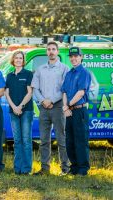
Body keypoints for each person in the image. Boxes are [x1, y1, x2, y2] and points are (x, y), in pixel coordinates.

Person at [31, 41, 70, 176]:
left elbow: (65, 89)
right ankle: (44, 168)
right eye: (49, 49)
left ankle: (65, 168)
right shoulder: (40, 69)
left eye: (53, 49)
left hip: (58, 107)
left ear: (57, 51)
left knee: (61, 138)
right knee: (44, 139)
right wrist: (43, 101)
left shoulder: (64, 69)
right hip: (43, 108)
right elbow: (35, 88)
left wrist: (52, 100)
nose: (51, 51)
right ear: (46, 52)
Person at [61, 46, 91, 176]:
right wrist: (65, 107)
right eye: (71, 57)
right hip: (69, 112)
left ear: (81, 57)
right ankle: (74, 168)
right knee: (70, 141)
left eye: (76, 56)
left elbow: (80, 93)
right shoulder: (69, 73)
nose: (73, 59)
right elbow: (64, 92)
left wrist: (67, 106)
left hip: (79, 111)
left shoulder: (84, 73)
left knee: (81, 140)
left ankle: (83, 169)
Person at [5, 51, 33, 175]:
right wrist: (14, 107)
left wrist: (20, 106)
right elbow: (6, 93)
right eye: (16, 58)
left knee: (26, 140)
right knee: (17, 140)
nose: (18, 60)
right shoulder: (9, 76)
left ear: (23, 60)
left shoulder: (28, 74)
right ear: (13, 60)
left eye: (20, 58)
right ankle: (17, 168)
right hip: (13, 111)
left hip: (26, 110)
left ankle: (26, 169)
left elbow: (30, 92)